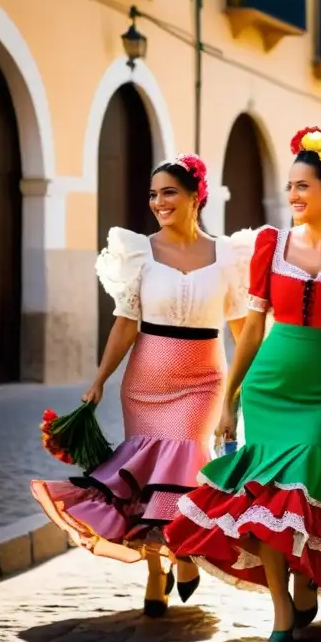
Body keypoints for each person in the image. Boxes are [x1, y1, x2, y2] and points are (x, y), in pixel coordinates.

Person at [164, 127, 321, 642]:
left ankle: (307, 576)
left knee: (301, 479)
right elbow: (252, 328)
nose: (294, 196)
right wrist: (231, 399)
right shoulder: (269, 245)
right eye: (291, 186)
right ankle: (282, 603)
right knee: (267, 494)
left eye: (304, 186)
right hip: (268, 387)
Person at [30, 154, 255, 616]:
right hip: (147, 378)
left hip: (203, 379)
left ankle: (185, 554)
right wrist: (98, 381)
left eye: (168, 192)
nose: (158, 202)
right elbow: (125, 326)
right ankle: (158, 570)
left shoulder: (228, 257)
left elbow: (242, 331)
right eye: (153, 194)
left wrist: (239, 393)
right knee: (149, 480)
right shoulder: (138, 252)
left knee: (186, 468)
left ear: (196, 197)